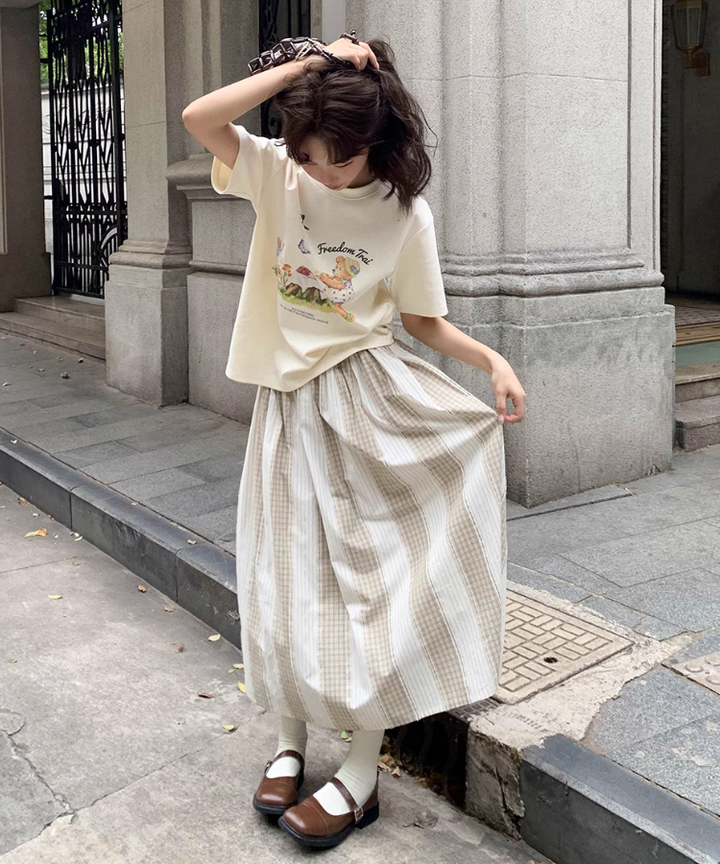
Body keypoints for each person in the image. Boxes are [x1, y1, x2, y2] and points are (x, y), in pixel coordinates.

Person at [181, 34, 526, 851]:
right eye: (311, 156)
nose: (324, 173)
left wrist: (492, 360)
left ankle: (362, 772)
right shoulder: (278, 173)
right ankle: (290, 742)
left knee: (368, 584)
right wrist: (311, 67)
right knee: (283, 574)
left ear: (377, 139)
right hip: (286, 405)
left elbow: (421, 321)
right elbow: (200, 117)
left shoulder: (405, 213)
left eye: (341, 158)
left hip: (367, 401)